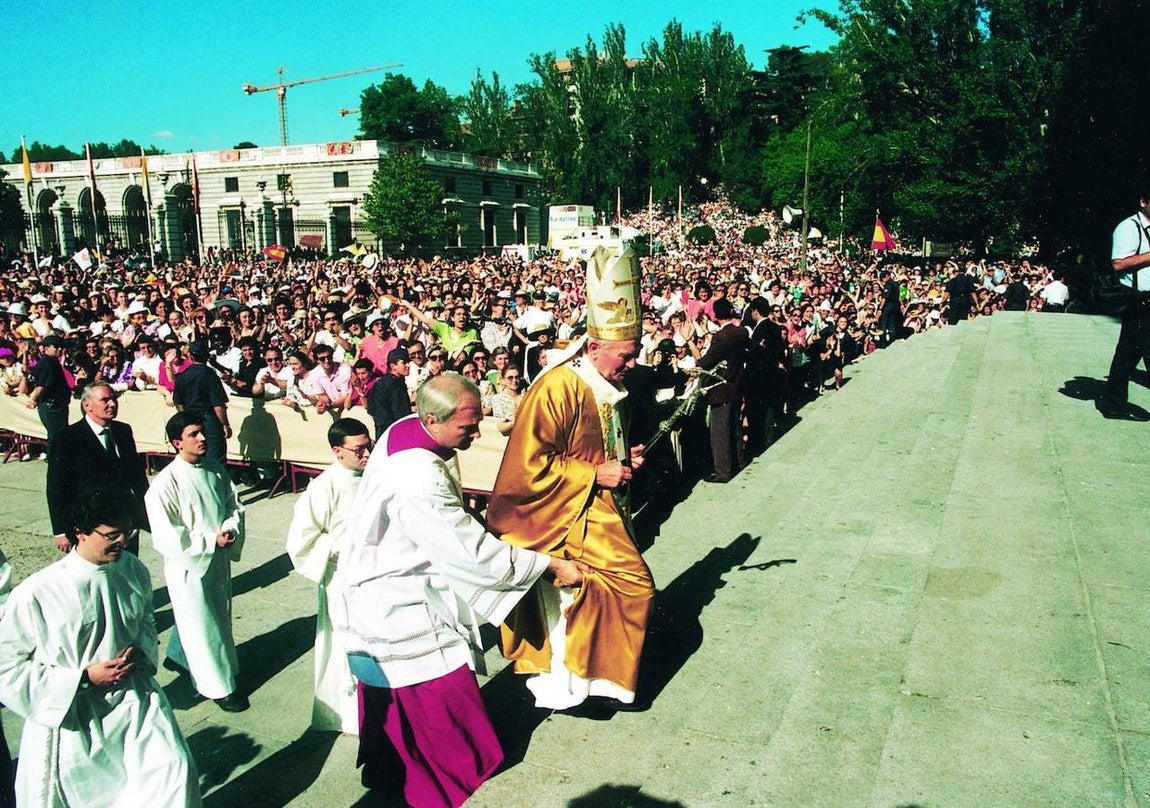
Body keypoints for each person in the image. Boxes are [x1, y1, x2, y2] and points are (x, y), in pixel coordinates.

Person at [333, 373, 581, 807]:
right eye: (468, 428)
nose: (477, 433)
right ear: (432, 417)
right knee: (435, 684)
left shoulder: (401, 429)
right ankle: (452, 770)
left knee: (402, 690)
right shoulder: (418, 477)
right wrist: (547, 564)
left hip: (386, 574)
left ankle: (389, 765)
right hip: (396, 590)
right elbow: (469, 550)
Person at [487, 246, 655, 713]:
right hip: (555, 512)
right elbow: (529, 466)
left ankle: (590, 679)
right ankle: (574, 679)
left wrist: (623, 458)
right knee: (633, 586)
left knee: (620, 588)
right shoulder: (557, 386)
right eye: (625, 355)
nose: (632, 364)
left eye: (635, 353)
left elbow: (597, 446)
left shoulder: (606, 383)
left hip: (591, 504)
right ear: (594, 347)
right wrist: (595, 472)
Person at [0, 488, 201, 807]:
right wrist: (83, 678)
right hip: (76, 718)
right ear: (79, 532)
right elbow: (6, 667)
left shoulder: (133, 569)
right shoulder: (38, 593)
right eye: (111, 534)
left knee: (174, 776)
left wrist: (141, 649)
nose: (122, 541)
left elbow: (146, 618)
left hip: (136, 702)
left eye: (128, 531)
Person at [145, 411, 248, 712]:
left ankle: (180, 656)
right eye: (193, 434)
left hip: (217, 560)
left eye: (202, 432)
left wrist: (231, 528)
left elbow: (234, 505)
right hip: (188, 564)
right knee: (201, 623)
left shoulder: (215, 469)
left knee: (217, 617)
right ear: (177, 442)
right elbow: (166, 534)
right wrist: (207, 541)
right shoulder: (166, 483)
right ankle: (219, 687)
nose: (203, 438)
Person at [285, 419, 371, 734]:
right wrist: (339, 547)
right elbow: (301, 540)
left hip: (374, 575)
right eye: (359, 449)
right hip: (341, 577)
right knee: (344, 643)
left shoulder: (373, 477)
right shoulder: (324, 486)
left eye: (369, 445)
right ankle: (347, 713)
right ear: (338, 451)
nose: (367, 454)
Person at [47, 382, 150, 555]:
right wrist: (60, 530)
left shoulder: (122, 431)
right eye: (105, 400)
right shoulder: (67, 438)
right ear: (87, 406)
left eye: (114, 399)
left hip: (125, 520)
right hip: (90, 524)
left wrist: (148, 513)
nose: (112, 404)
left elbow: (137, 478)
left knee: (127, 571)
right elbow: (57, 488)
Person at [1100, 192, 1150, 420]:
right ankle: (1113, 403)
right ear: (1143, 202)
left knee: (1127, 354)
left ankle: (1113, 404)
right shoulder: (1128, 228)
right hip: (1139, 300)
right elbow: (1118, 263)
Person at [698, 297, 749, 483]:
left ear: (715, 315)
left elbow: (707, 361)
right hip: (737, 385)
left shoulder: (721, 337)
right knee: (734, 428)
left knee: (719, 432)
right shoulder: (741, 332)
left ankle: (722, 472)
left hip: (721, 388)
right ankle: (739, 463)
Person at [173, 339, 232, 465]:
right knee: (216, 460)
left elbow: (179, 404)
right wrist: (225, 425)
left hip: (191, 420)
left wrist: (186, 422)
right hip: (209, 420)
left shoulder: (182, 376)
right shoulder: (210, 375)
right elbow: (218, 405)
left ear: (190, 356)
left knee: (194, 459)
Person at [24, 334, 72, 460]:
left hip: (55, 404)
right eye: (55, 346)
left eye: (61, 347)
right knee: (57, 435)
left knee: (58, 435)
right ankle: (55, 463)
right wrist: (33, 398)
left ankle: (57, 462)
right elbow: (42, 385)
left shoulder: (50, 362)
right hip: (52, 405)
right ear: (45, 348)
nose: (59, 349)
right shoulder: (48, 363)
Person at [366, 347, 412, 438]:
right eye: (403, 363)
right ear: (392, 366)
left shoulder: (396, 382)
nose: (408, 365)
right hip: (391, 432)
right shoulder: (389, 385)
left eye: (408, 362)